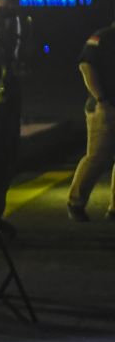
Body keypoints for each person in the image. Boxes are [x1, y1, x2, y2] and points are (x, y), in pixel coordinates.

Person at [0, 0, 33, 234]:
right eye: (5, 1)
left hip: (10, 100)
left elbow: (27, 51)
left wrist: (22, 64)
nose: (8, 6)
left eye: (13, 2)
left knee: (7, 160)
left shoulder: (22, 23)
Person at [67, 16, 115, 221]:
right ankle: (75, 202)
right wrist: (101, 100)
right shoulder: (103, 37)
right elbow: (86, 66)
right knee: (97, 158)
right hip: (103, 108)